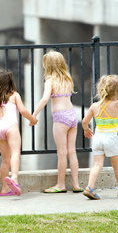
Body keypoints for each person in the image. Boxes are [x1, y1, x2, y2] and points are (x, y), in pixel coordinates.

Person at [0, 70, 37, 196]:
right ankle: (14, 178)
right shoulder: (14, 95)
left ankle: (5, 189)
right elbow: (23, 111)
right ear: (10, 82)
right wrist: (33, 119)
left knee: (5, 160)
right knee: (16, 153)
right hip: (11, 127)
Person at [32, 51, 82, 193]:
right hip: (72, 115)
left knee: (61, 153)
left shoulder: (50, 81)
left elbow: (44, 99)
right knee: (72, 152)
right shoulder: (67, 78)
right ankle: (76, 184)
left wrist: (34, 115)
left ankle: (60, 184)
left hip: (60, 117)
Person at [82, 74, 118, 200]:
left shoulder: (94, 106)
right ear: (116, 90)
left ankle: (89, 187)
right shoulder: (116, 104)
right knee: (117, 165)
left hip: (98, 138)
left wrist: (86, 129)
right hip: (111, 138)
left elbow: (85, 122)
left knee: (97, 165)